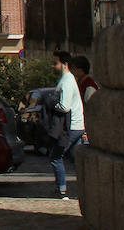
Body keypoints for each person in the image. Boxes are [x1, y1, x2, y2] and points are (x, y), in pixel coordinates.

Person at [49, 50, 86, 200]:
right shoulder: (68, 80)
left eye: (55, 63)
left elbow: (65, 107)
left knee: (55, 157)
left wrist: (52, 104)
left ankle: (62, 190)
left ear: (64, 64)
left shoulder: (67, 81)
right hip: (76, 126)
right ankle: (85, 187)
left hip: (71, 127)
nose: (53, 66)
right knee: (74, 158)